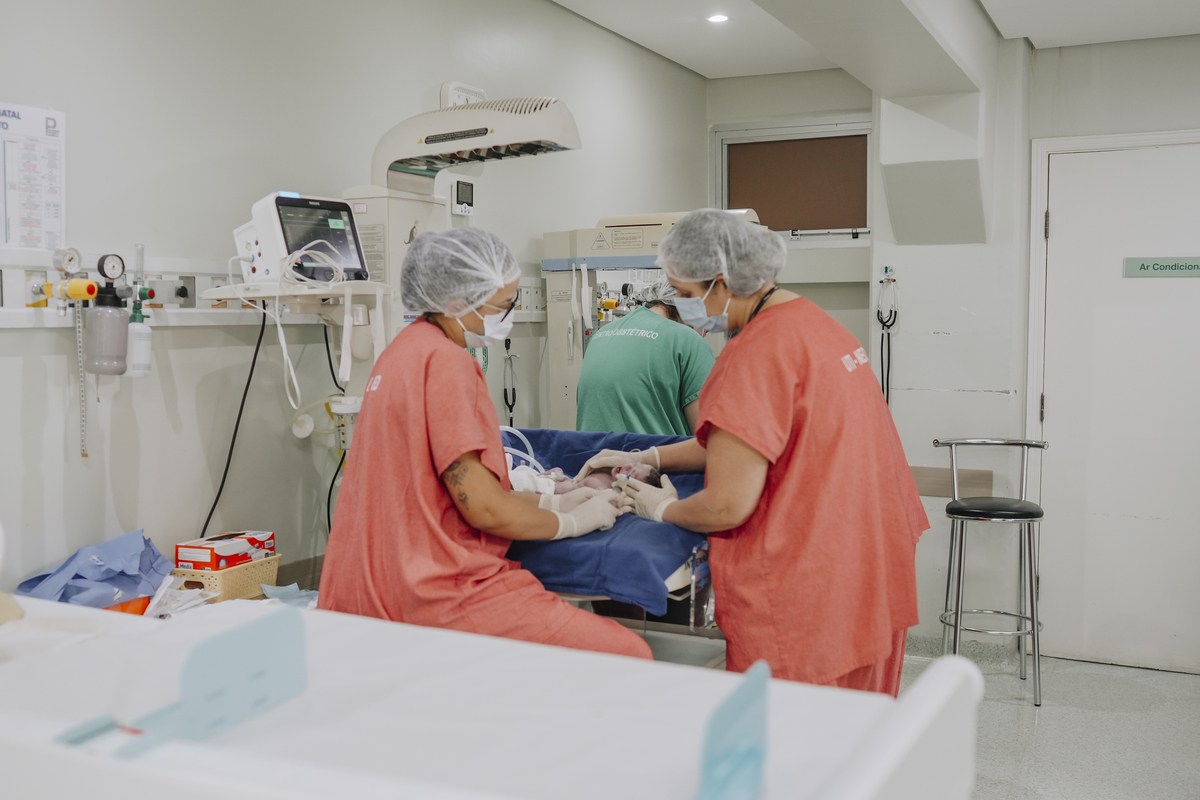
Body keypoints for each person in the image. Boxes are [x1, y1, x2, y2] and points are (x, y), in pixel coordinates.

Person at [577, 209, 927, 695]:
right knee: (859, 725)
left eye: (683, 294)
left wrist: (664, 508)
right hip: (871, 558)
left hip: (813, 580)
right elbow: (748, 441)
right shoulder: (817, 326)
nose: (683, 306)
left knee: (794, 730)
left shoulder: (755, 353)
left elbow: (727, 504)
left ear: (720, 283)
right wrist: (651, 457)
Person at [318, 228, 650, 660]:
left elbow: (436, 492)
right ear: (458, 301)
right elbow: (484, 507)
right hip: (436, 591)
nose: (509, 314)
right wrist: (573, 520)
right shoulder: (447, 363)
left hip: (365, 586)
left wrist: (555, 501)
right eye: (503, 304)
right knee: (629, 654)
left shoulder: (401, 353)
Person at [575, 275, 715, 436]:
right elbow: (710, 439)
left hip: (592, 452)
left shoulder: (601, 335)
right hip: (654, 453)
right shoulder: (689, 341)